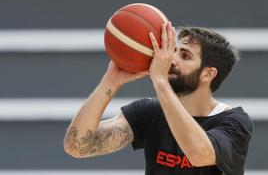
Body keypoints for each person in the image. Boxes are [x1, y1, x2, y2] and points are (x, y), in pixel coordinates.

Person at [63, 22, 253, 175]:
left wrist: (160, 80)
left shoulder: (234, 121)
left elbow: (198, 154)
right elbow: (77, 146)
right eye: (174, 50)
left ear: (208, 74)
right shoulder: (149, 112)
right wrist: (110, 82)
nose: (171, 59)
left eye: (185, 56)